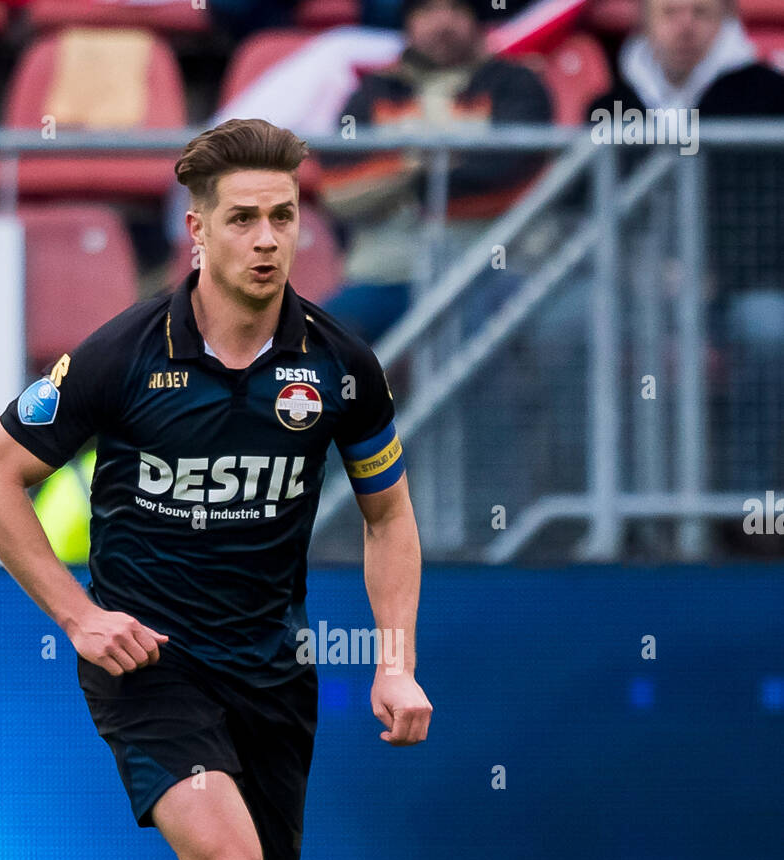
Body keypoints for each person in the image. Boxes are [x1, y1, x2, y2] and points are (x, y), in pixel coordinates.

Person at [0, 117, 432, 860]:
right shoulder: (126, 354)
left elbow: (389, 514)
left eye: (283, 217)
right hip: (150, 665)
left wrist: (399, 659)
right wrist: (80, 615)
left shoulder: (336, 366)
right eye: (243, 220)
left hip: (271, 673)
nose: (267, 240)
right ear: (198, 230)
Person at [586, 0, 784, 508]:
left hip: (738, 287)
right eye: (671, 12)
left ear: (726, 23)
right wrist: (637, 272)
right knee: (570, 322)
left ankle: (754, 508)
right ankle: (609, 509)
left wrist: (714, 275)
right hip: (629, 288)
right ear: (645, 24)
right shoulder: (610, 104)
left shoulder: (769, 96)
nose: (686, 26)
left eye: (702, 12)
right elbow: (581, 217)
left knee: (770, 329)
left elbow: (770, 216)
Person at [319, 0, 552, 343]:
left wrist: (400, 178)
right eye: (427, 10)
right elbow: (339, 192)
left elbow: (508, 182)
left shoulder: (516, 84)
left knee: (483, 346)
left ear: (477, 21)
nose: (443, 22)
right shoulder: (371, 93)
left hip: (483, 274)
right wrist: (419, 163)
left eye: (457, 9)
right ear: (408, 24)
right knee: (311, 349)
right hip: (384, 277)